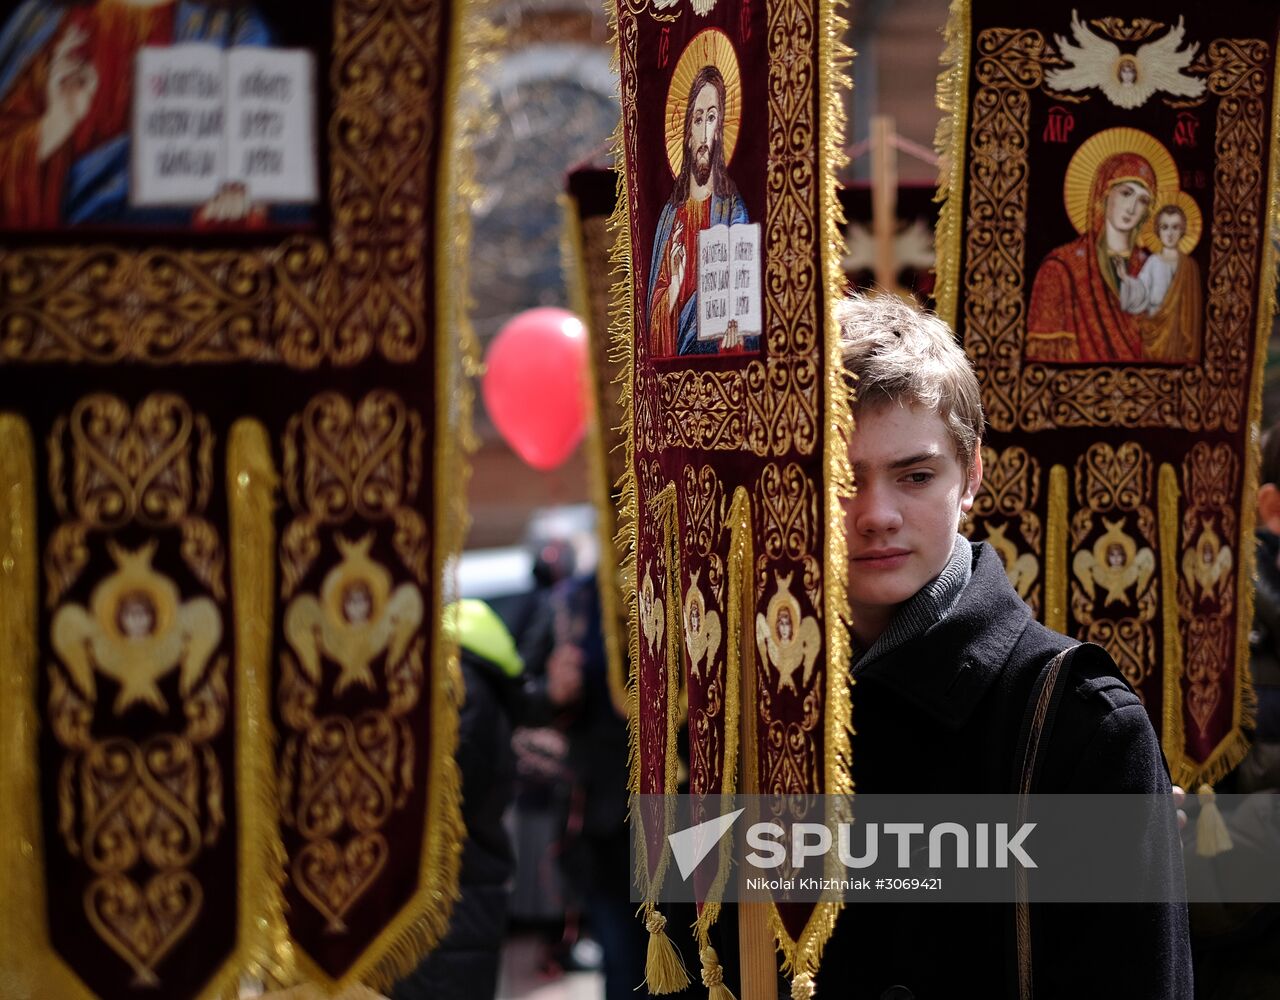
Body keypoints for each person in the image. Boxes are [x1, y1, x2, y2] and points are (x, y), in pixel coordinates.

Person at [813, 292, 1191, 998]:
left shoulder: (1081, 724)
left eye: (915, 475)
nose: (875, 515)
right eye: (841, 480)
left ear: (972, 476)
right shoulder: (746, 710)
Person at [0, 0, 272, 227]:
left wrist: (238, 207)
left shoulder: (236, 28)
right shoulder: (44, 23)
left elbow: (265, 169)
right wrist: (56, 122)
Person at [392, 599, 525, 1000]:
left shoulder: (461, 689)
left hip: (452, 890)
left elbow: (452, 787)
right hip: (468, 882)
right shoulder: (482, 689)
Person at [646, 63, 750, 358]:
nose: (705, 133)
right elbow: (652, 333)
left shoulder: (733, 210)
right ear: (687, 131)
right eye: (698, 118)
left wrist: (737, 335)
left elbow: (743, 298)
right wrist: (673, 291)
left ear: (720, 130)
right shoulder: (669, 217)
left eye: (713, 118)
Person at [1026, 151, 1156, 362]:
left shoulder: (1151, 267)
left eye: (1142, 200)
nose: (1132, 208)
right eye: (1125, 193)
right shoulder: (1061, 268)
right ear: (1104, 194)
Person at [1132, 203, 1203, 363]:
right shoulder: (1152, 262)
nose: (1169, 233)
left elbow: (1193, 311)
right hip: (1154, 328)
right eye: (1165, 227)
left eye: (1175, 227)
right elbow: (1139, 295)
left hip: (1180, 334)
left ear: (1182, 230)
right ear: (1158, 230)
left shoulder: (1190, 266)